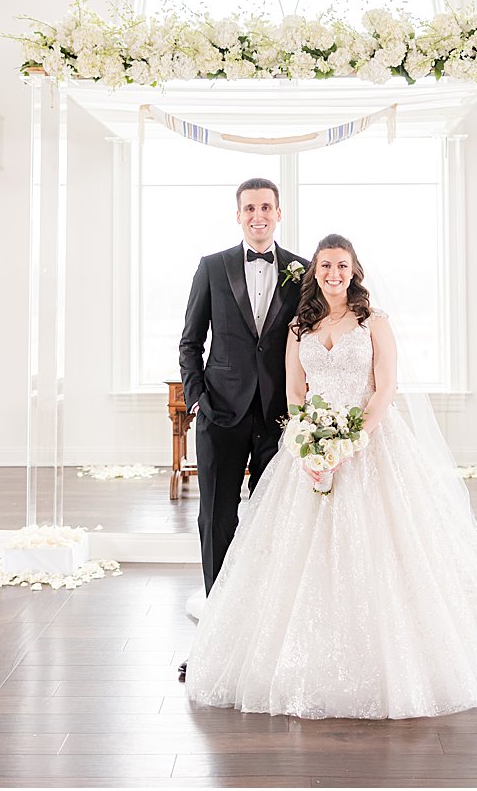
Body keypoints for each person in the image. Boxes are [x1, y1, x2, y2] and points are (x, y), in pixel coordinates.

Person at [186, 234, 477, 718]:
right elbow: (296, 390)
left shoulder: (374, 322)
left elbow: (386, 389)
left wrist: (351, 438)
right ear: (314, 273)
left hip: (372, 441)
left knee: (386, 548)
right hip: (314, 443)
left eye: (342, 266)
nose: (333, 274)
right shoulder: (300, 326)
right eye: (324, 267)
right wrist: (309, 440)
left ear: (355, 270)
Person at [177, 178, 306, 681]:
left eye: (266, 207)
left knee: (275, 524)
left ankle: (268, 635)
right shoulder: (212, 267)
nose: (258, 215)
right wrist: (198, 401)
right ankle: (215, 638)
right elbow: (190, 341)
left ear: (279, 212)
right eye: (249, 208)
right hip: (220, 415)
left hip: (279, 419)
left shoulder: (301, 270)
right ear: (238, 215)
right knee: (216, 521)